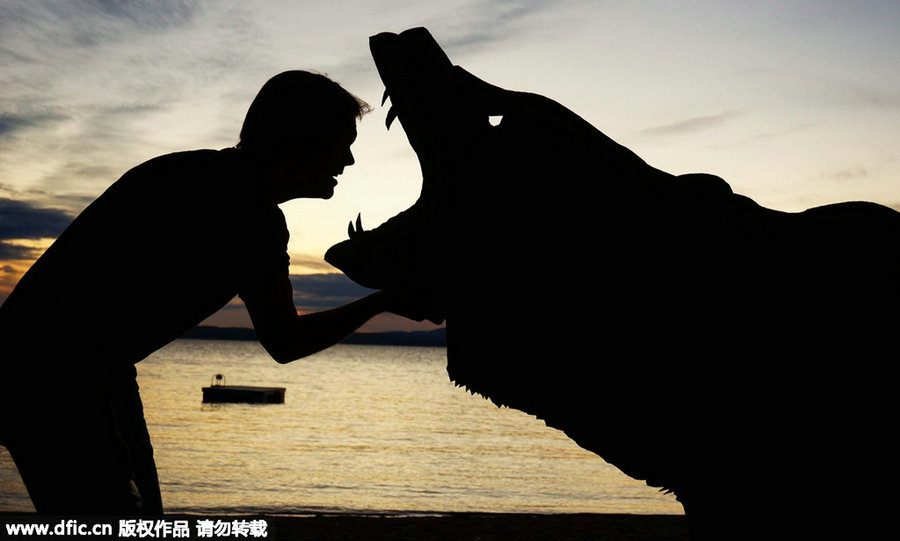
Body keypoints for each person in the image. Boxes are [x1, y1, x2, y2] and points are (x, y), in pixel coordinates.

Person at [0, 70, 431, 514]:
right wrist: (385, 300)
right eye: (342, 144)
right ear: (302, 141)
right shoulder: (248, 216)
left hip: (80, 366)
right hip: (57, 370)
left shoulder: (192, 176)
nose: (349, 162)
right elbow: (285, 341)